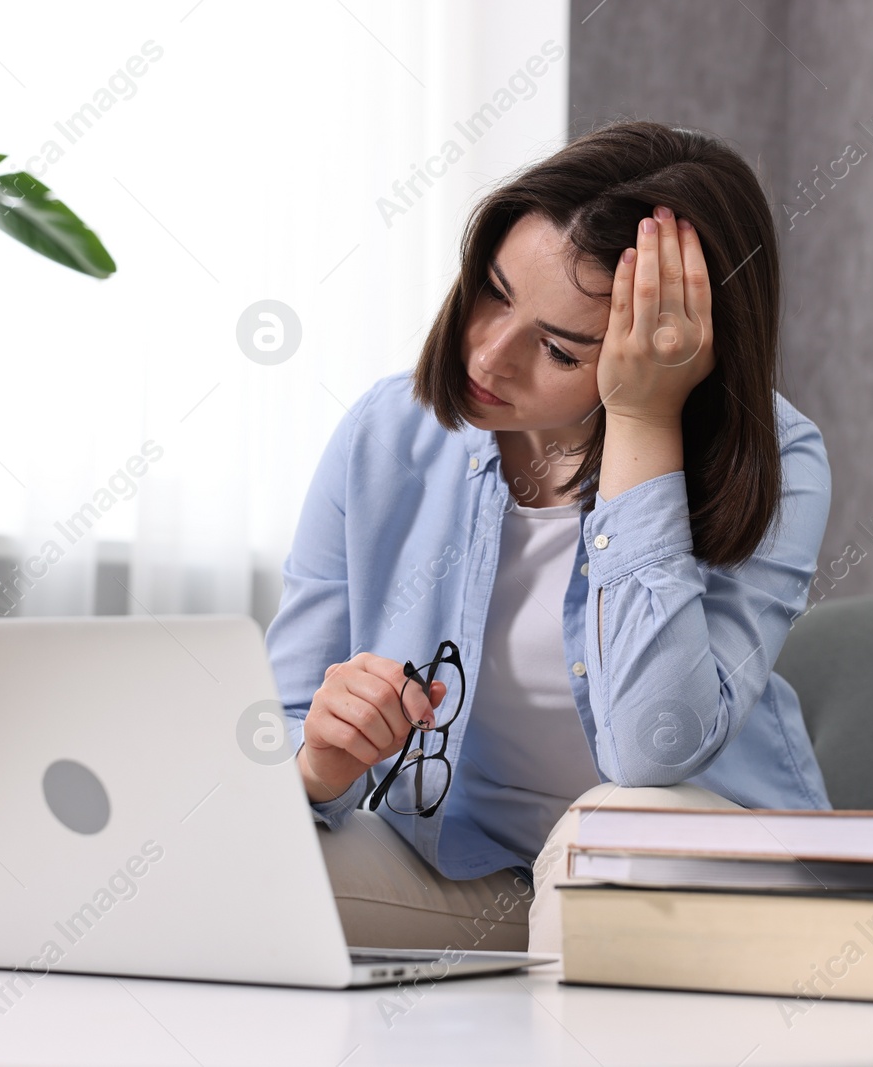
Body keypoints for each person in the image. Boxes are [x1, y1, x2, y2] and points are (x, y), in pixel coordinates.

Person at [262, 119, 832, 955]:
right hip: (476, 872)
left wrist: (643, 417)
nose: (488, 357)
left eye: (561, 350)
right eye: (494, 292)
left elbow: (652, 745)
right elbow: (284, 721)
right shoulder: (388, 434)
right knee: (238, 877)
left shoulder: (776, 458)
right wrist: (319, 762)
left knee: (610, 837)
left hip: (690, 864)